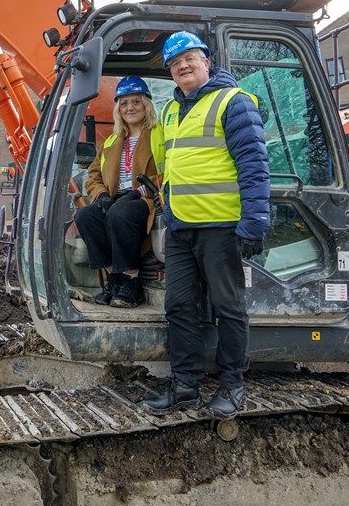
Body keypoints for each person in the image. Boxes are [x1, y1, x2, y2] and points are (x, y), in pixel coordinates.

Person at [143, 31, 269, 420]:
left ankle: (233, 385)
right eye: (175, 62)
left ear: (206, 62)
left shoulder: (233, 103)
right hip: (181, 227)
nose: (182, 65)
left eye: (189, 58)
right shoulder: (168, 111)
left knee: (228, 308)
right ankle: (185, 386)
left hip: (221, 226)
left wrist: (254, 222)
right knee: (179, 305)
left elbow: (253, 165)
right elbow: (168, 165)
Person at [73, 75, 162, 307]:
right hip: (115, 199)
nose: (130, 107)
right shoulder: (111, 141)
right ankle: (115, 276)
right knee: (85, 216)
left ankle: (131, 281)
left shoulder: (160, 135)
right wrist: (101, 195)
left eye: (136, 101)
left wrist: (140, 191)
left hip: (147, 198)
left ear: (147, 104)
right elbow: (93, 175)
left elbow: (170, 168)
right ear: (118, 109)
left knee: (119, 214)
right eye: (124, 103)